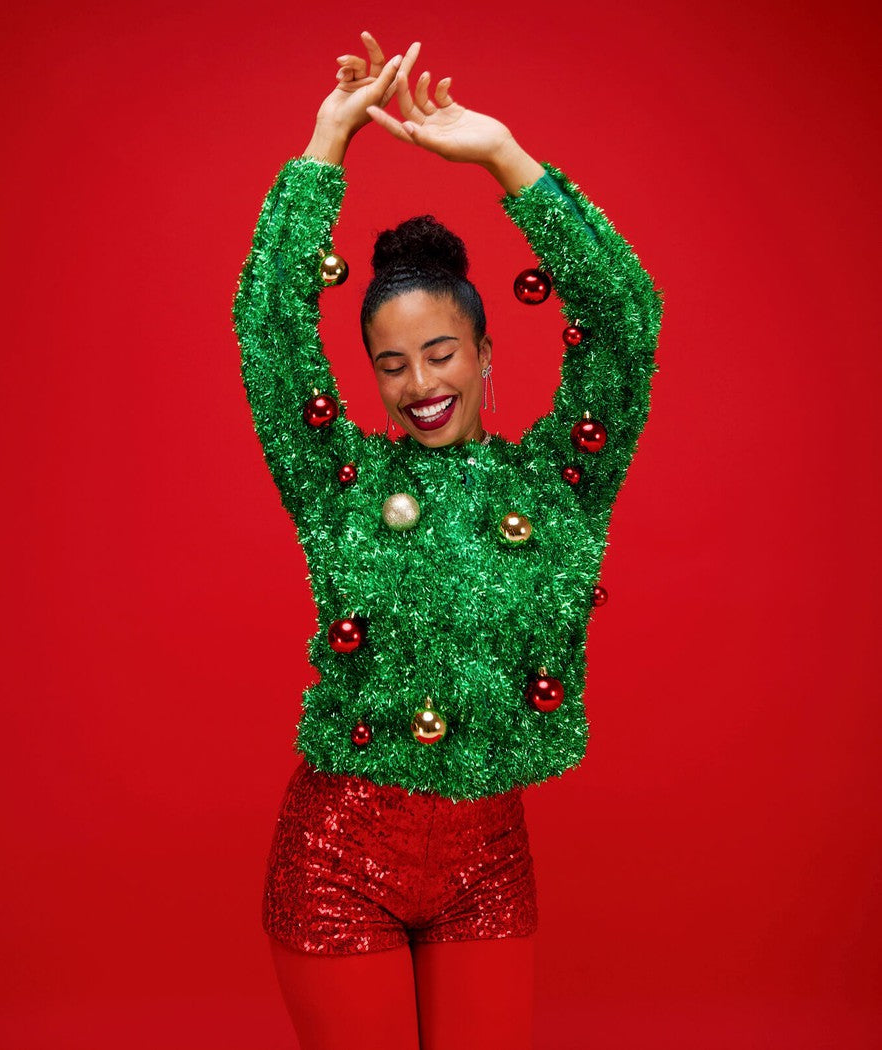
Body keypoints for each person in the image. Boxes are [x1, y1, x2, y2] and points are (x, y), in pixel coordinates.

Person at [233, 31, 662, 1050]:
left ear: (481, 349)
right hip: (337, 861)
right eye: (392, 365)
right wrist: (327, 140)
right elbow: (270, 333)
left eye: (440, 353)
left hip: (488, 865)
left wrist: (507, 160)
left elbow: (628, 322)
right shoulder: (342, 487)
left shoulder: (558, 483)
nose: (421, 385)